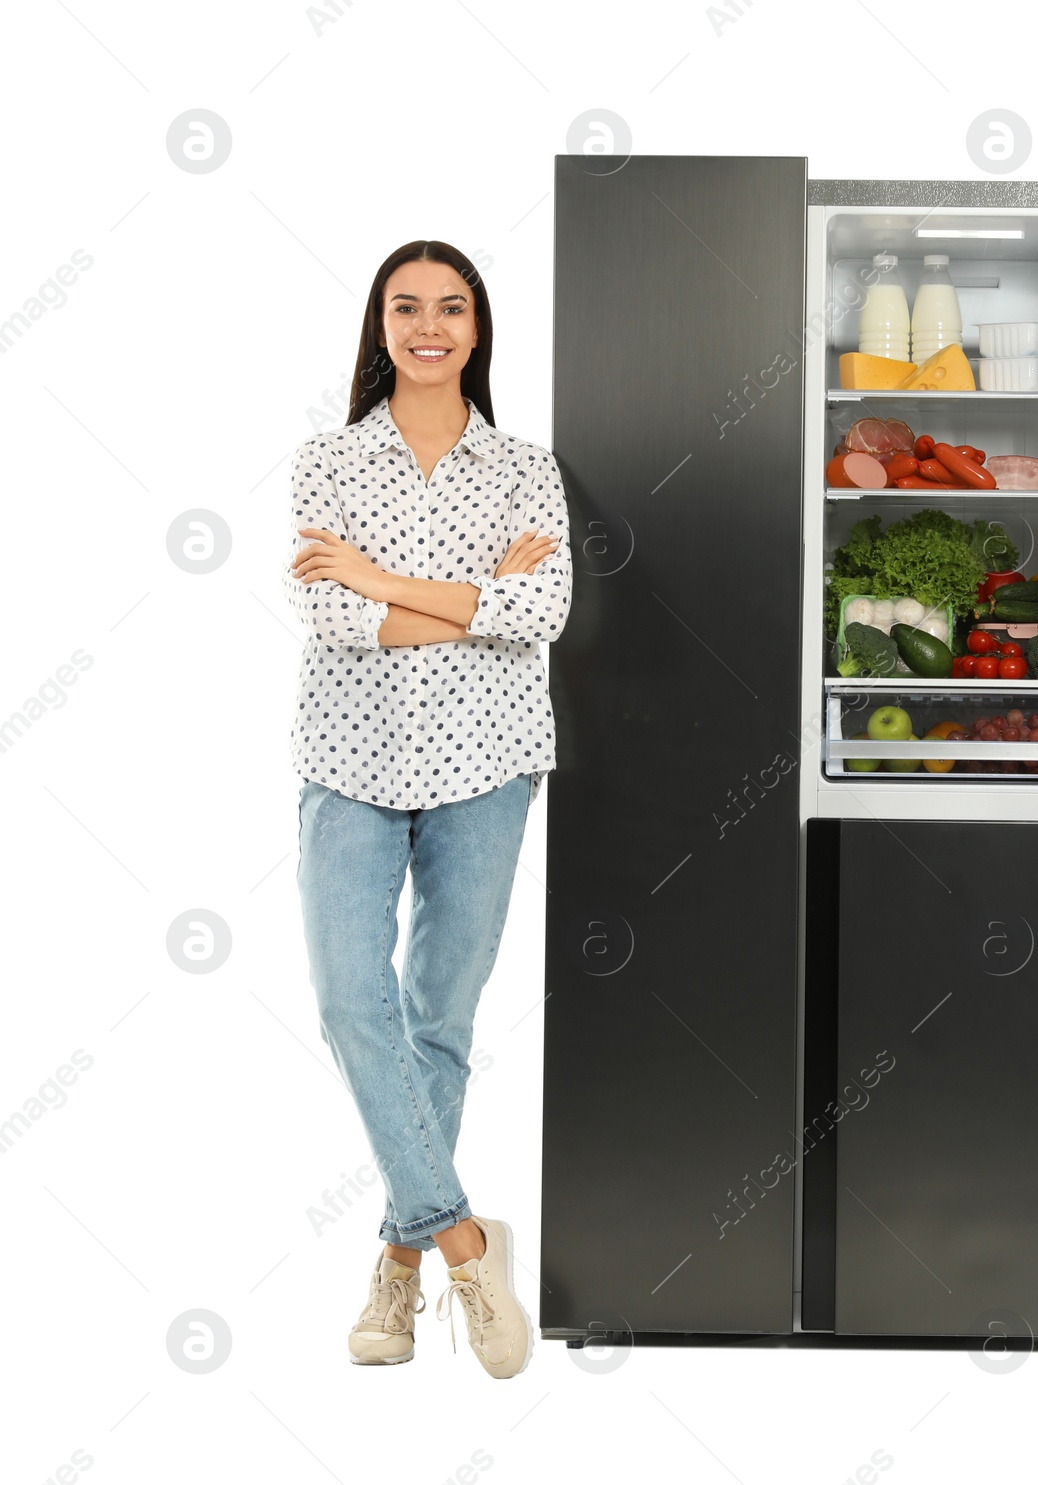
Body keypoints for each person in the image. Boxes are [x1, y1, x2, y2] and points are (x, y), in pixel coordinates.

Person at [282, 239, 570, 1378]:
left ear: (478, 329)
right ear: (379, 326)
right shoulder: (324, 462)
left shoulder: (525, 469)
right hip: (347, 760)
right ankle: (462, 1240)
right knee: (355, 1005)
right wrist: (458, 600)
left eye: (451, 308)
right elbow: (331, 621)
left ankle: (395, 1274)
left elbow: (537, 609)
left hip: (489, 764)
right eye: (407, 308)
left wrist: (380, 576)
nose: (429, 326)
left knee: (439, 1017)